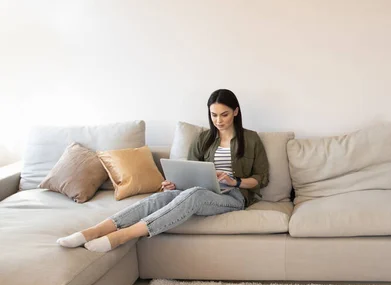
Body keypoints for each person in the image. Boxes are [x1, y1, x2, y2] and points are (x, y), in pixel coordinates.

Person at [56, 89, 269, 253]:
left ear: (236, 112)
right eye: (213, 115)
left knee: (195, 195)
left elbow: (260, 179)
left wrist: (235, 182)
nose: (219, 121)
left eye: (224, 115)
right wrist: (175, 183)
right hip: (201, 189)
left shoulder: (250, 139)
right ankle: (93, 231)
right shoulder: (204, 140)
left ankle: (122, 236)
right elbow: (192, 171)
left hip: (233, 196)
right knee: (161, 197)